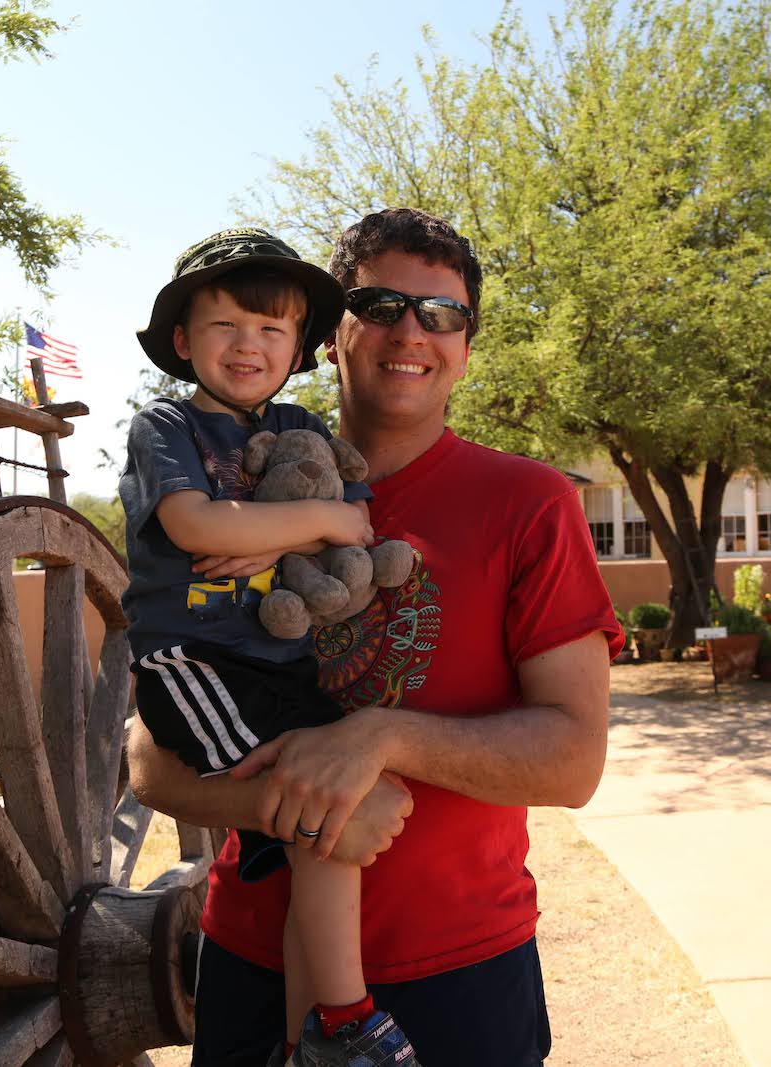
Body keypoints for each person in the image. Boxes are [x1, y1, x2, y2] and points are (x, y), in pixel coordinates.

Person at [128, 207, 623, 1067]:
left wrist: (378, 738)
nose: (412, 331)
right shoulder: (228, 485)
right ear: (333, 335)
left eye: (442, 313)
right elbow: (151, 761)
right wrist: (304, 811)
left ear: (466, 345)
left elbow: (574, 761)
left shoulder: (531, 503)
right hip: (252, 953)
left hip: (462, 968)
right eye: (383, 303)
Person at [121, 227, 419, 1067]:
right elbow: (193, 522)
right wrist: (302, 524)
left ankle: (307, 1040)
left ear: (299, 346)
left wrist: (288, 530)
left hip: (282, 665)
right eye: (225, 327)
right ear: (183, 340)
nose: (248, 345)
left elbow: (355, 522)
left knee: (326, 822)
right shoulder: (166, 425)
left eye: (272, 330)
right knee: (330, 815)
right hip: (199, 665)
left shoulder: (299, 426)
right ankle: (349, 1018)